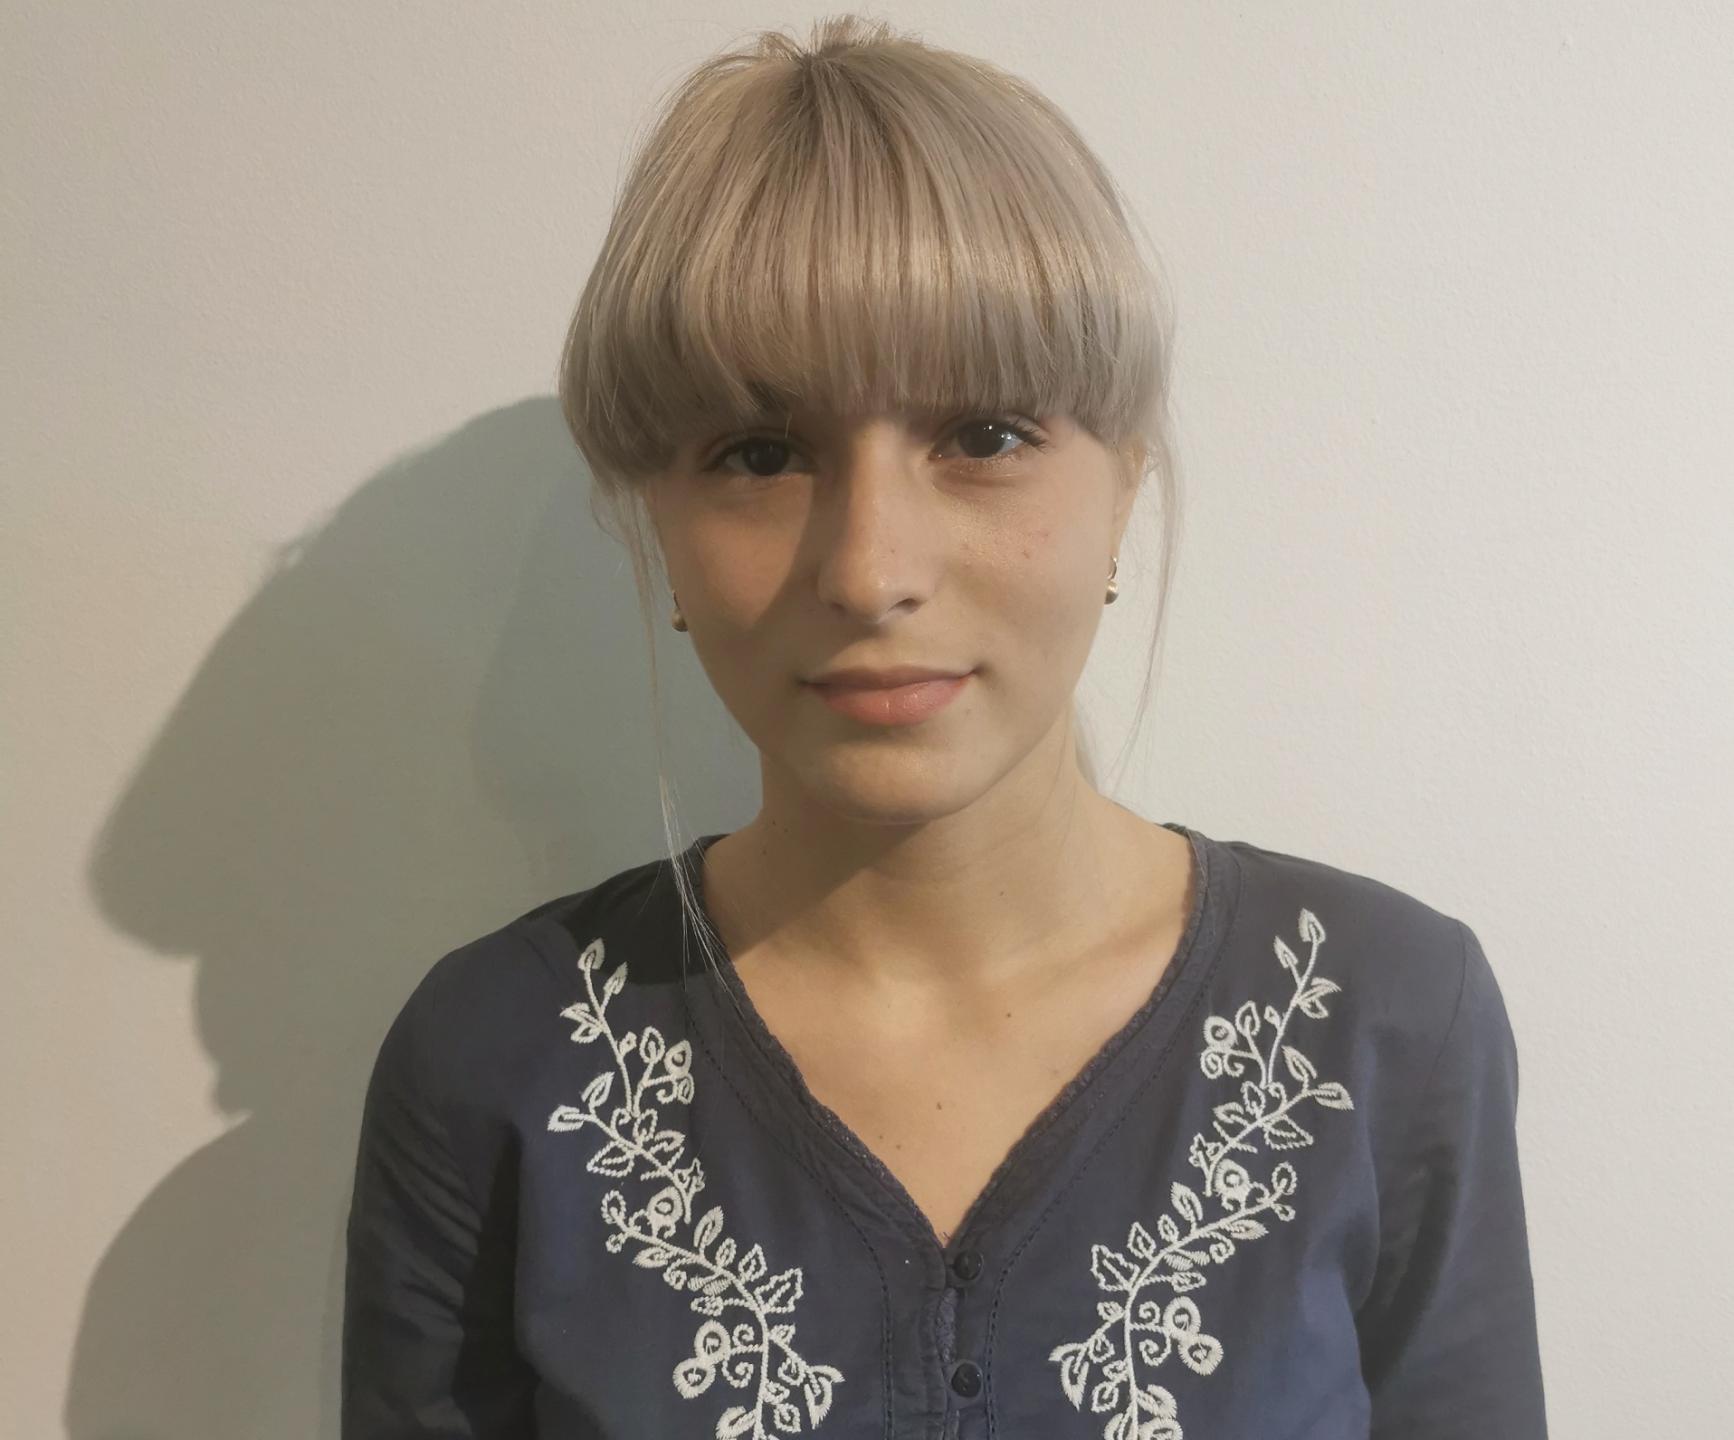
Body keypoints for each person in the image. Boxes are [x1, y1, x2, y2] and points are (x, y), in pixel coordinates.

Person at [340, 14, 1546, 1438]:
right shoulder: (500, 1058)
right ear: (657, 525)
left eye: (983, 435)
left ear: (1124, 486)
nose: (869, 570)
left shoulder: (1380, 1018)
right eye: (760, 452)